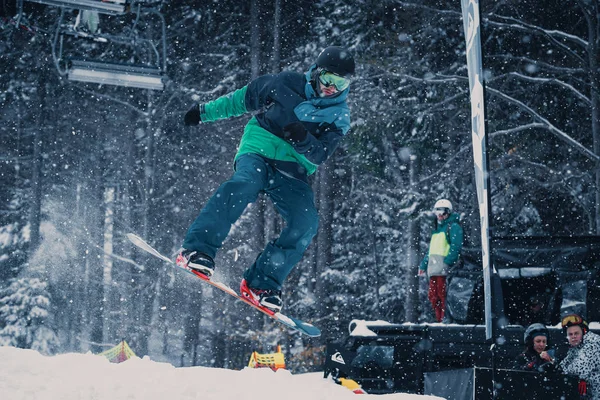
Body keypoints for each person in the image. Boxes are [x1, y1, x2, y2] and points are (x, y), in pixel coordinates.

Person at [176, 46, 355, 312]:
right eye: (329, 79)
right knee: (244, 184)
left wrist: (304, 139)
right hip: (259, 147)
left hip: (292, 168)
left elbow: (320, 154)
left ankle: (261, 283)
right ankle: (197, 250)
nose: (332, 88)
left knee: (306, 222)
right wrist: (202, 112)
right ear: (317, 73)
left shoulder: (339, 115)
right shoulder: (283, 83)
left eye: (340, 83)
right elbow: (240, 100)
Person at [418, 199, 463, 322]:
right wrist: (423, 265)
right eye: (437, 212)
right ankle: (439, 319)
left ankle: (445, 319)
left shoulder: (453, 227)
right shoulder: (437, 230)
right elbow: (431, 251)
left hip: (444, 269)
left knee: (443, 295)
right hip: (434, 269)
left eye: (442, 212)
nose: (439, 215)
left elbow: (456, 246)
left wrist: (448, 262)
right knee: (433, 296)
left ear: (448, 212)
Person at [560, 314, 600, 399]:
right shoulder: (576, 347)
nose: (573, 337)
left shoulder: (593, 342)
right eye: (570, 334)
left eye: (576, 333)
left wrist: (566, 371)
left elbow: (579, 368)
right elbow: (563, 366)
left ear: (584, 331)